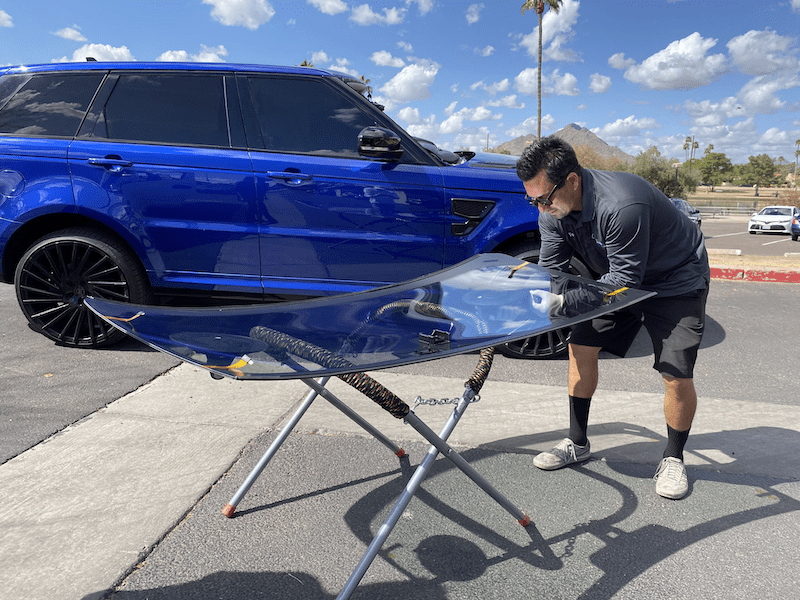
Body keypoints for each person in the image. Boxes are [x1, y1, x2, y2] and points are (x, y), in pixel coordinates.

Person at [516, 136, 710, 500]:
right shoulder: (553, 214)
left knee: (675, 371)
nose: (540, 209)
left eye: (545, 198)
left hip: (675, 281)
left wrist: (562, 304)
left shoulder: (622, 205)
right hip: (616, 279)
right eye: (533, 200)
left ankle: (673, 457)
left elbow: (624, 281)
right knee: (580, 347)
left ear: (572, 181)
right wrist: (544, 301)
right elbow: (554, 273)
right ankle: (577, 441)